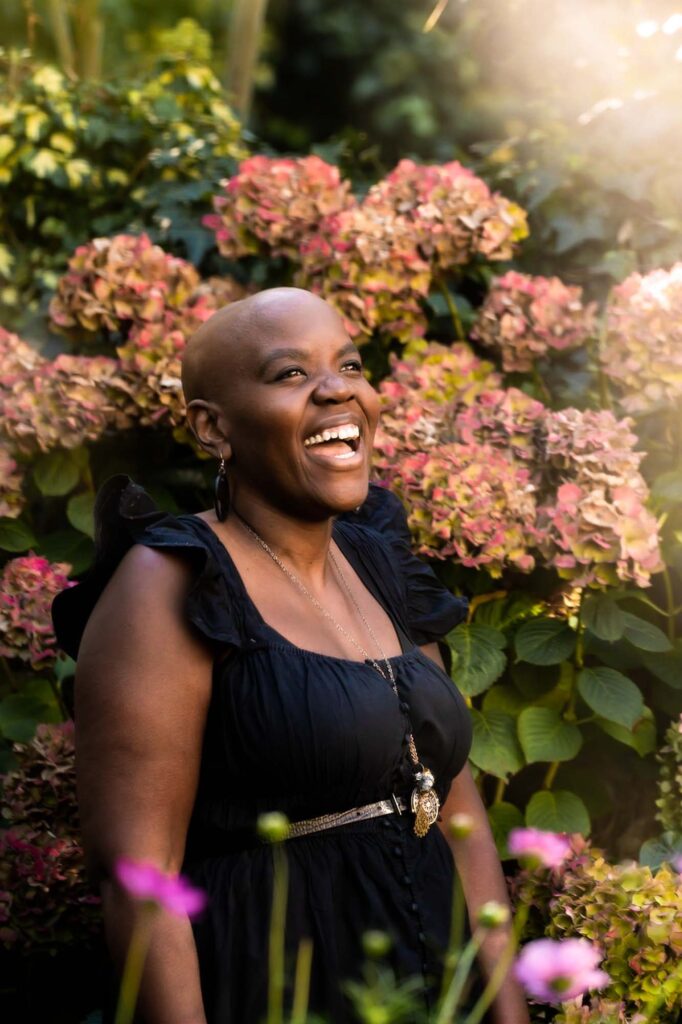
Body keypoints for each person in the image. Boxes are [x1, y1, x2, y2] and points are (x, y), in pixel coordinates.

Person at [52, 287, 529, 1024]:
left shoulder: (383, 563)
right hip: (280, 988)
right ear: (212, 427)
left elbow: (456, 816)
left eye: (350, 365)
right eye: (291, 374)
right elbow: (141, 885)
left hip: (435, 994)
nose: (338, 390)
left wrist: (506, 1013)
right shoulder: (173, 581)